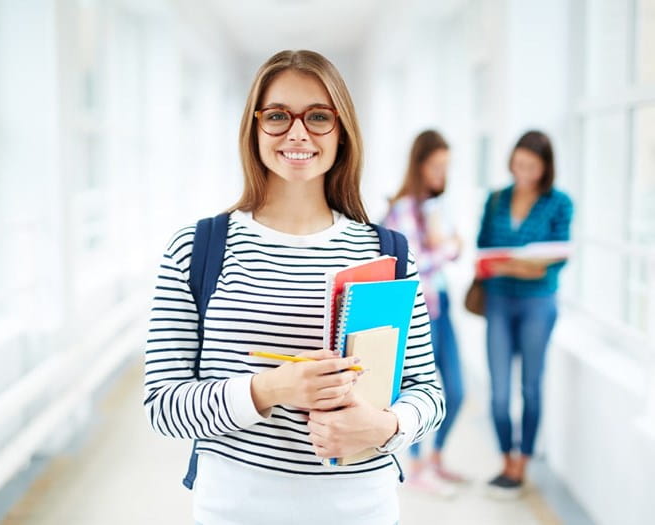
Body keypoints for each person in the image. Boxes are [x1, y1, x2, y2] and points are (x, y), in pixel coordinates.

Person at [144, 50, 445, 525]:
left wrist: (385, 426)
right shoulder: (197, 248)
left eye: (319, 116)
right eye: (279, 116)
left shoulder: (387, 252)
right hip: (236, 509)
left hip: (360, 507)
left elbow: (427, 392)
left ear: (342, 131)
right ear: (254, 127)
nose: (298, 133)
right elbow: (163, 406)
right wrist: (270, 389)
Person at [477, 130, 573, 498]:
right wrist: (520, 265)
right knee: (499, 392)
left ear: (545, 167)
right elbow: (484, 250)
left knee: (531, 387)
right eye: (518, 164)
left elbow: (553, 262)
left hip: (538, 304)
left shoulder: (559, 202)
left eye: (531, 166)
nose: (523, 172)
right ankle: (505, 460)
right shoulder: (496, 198)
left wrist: (510, 265)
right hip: (498, 302)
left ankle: (523, 460)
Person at [382, 130, 465, 497]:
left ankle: (436, 458)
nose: (441, 174)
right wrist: (450, 248)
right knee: (415, 389)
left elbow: (450, 246)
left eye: (446, 166)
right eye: (436, 165)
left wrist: (450, 246)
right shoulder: (400, 210)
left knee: (458, 391)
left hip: (441, 305)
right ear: (419, 165)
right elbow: (410, 266)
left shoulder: (434, 205)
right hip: (418, 311)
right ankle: (414, 464)